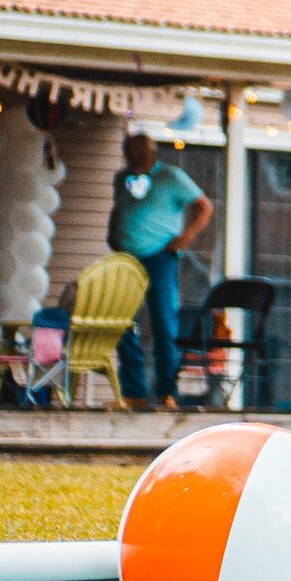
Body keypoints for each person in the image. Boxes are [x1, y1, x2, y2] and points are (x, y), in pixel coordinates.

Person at [109, 133, 213, 408]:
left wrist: (186, 237)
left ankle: (167, 392)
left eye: (139, 151)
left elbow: (203, 206)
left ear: (152, 153)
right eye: (129, 150)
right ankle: (134, 392)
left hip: (160, 257)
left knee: (163, 323)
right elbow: (121, 209)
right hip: (127, 258)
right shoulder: (122, 179)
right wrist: (114, 235)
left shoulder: (171, 176)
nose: (134, 155)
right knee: (122, 321)